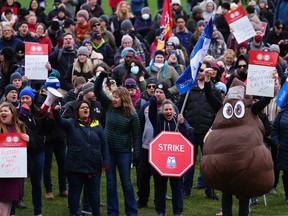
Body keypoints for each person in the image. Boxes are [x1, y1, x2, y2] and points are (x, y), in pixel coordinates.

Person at [94, 72, 141, 216]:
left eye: (116, 97)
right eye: (113, 97)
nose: (113, 99)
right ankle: (112, 212)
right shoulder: (109, 106)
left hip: (124, 153)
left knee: (126, 183)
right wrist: (101, 77)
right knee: (110, 183)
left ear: (123, 99)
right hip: (108, 152)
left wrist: (137, 155)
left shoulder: (132, 114)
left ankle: (132, 211)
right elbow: (97, 91)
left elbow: (137, 136)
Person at [53, 100, 110, 216]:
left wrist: (106, 161)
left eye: (87, 108)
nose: (85, 109)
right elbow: (60, 122)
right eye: (82, 107)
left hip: (93, 166)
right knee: (74, 193)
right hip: (75, 166)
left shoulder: (97, 125)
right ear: (77, 111)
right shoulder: (71, 123)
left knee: (94, 194)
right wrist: (56, 113)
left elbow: (104, 144)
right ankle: (73, 213)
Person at [148, 95, 192, 216]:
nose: (168, 112)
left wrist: (182, 124)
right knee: (160, 188)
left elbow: (189, 137)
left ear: (174, 110)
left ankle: (178, 212)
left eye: (170, 109)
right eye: (166, 109)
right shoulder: (157, 119)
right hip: (159, 160)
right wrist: (154, 98)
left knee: (176, 187)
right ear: (162, 111)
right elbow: (151, 110)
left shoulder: (178, 120)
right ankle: (160, 211)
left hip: (176, 161)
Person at [18, 87, 46, 216]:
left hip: (37, 151)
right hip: (20, 153)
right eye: (22, 98)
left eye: (27, 98)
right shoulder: (17, 113)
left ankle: (38, 211)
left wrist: (32, 140)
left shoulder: (38, 113)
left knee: (36, 182)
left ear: (32, 99)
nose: (25, 100)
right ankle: (13, 208)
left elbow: (43, 132)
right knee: (17, 182)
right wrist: (22, 116)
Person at [0, 102, 29, 216]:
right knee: (2, 206)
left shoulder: (20, 126)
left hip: (14, 173)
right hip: (1, 174)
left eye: (5, 111)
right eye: (1, 111)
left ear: (12, 113)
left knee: (8, 203)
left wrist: (27, 139)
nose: (3, 113)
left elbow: (33, 145)